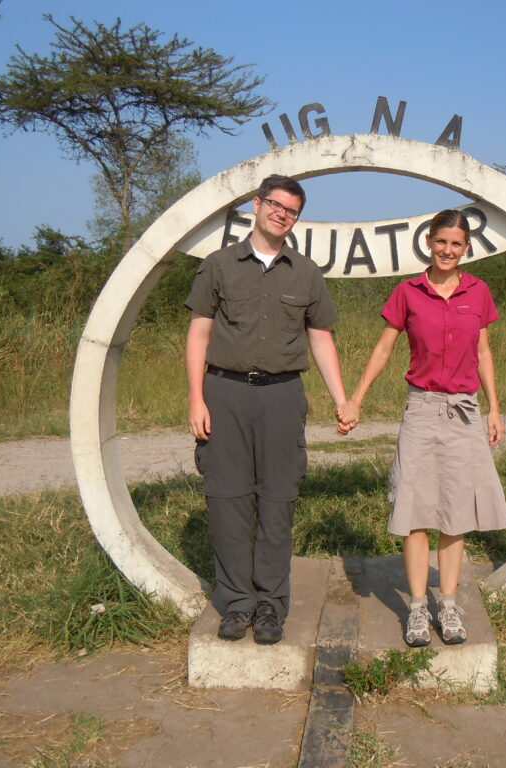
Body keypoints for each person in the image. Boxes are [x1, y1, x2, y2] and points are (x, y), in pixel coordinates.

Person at [185, 175, 351, 645]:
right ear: (255, 206)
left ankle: (270, 607)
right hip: (224, 393)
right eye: (275, 205)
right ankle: (236, 603)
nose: (282, 214)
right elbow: (199, 333)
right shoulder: (218, 266)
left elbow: (320, 336)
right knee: (228, 501)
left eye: (292, 210)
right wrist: (196, 398)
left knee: (278, 501)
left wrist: (341, 399)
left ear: (297, 218)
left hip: (282, 397)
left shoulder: (305, 272)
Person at [337, 209, 506, 647]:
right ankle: (417, 609)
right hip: (421, 410)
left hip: (466, 412)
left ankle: (448, 606)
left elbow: (484, 352)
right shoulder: (408, 292)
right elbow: (383, 348)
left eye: (456, 244)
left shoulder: (478, 291)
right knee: (415, 511)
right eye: (441, 242)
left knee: (457, 513)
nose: (448, 250)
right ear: (428, 242)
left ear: (466, 247)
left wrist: (494, 408)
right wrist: (356, 398)